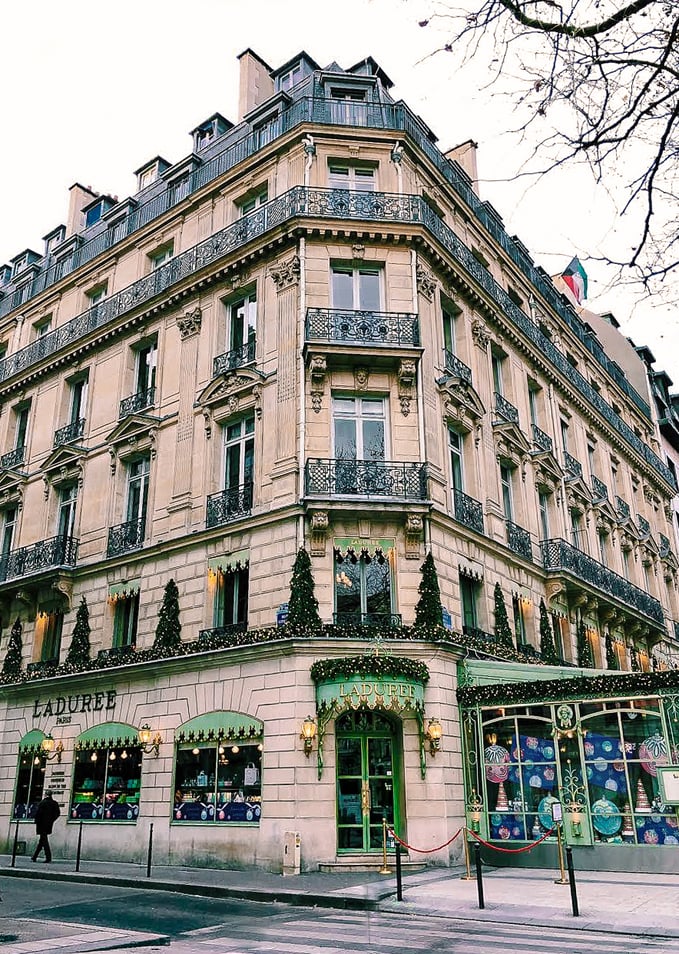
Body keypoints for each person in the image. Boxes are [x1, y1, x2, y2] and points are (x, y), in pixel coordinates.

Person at [31, 790, 60, 863]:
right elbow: (57, 813)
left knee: (44, 840)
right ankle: (34, 856)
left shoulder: (42, 803)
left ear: (45, 795)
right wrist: (52, 820)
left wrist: (36, 822)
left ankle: (48, 857)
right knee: (42, 840)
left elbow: (38, 814)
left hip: (41, 824)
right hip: (49, 824)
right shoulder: (54, 803)